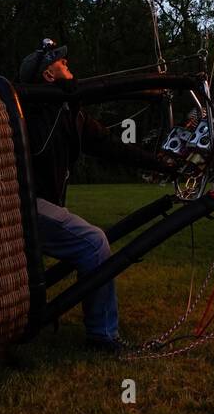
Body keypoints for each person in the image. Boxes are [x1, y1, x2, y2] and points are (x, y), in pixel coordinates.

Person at [18, 39, 177, 352]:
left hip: (40, 204)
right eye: (61, 63)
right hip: (20, 204)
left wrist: (160, 163)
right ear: (48, 76)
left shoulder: (71, 115)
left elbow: (109, 146)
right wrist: (63, 100)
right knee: (93, 243)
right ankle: (102, 335)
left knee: (89, 246)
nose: (68, 65)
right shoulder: (30, 114)